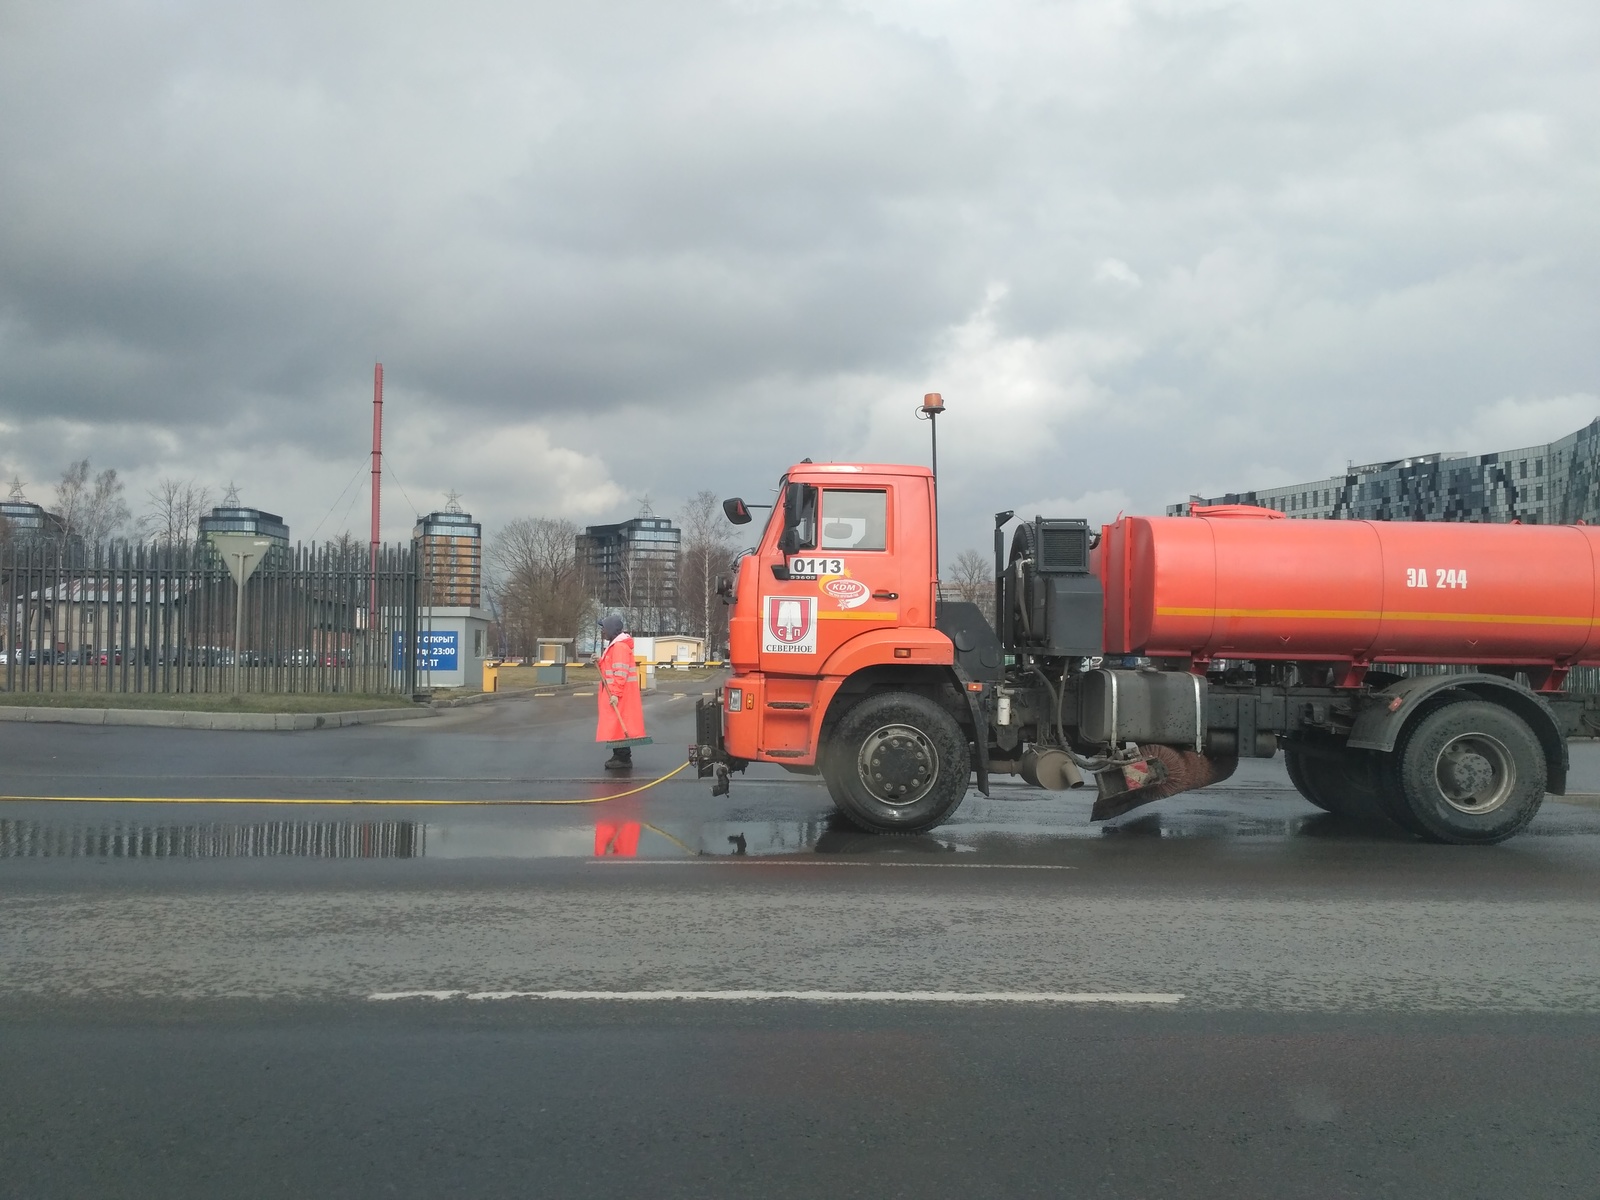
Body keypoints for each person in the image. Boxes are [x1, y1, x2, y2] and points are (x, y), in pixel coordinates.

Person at [595, 614, 647, 771]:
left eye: (604, 628)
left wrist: (615, 694)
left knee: (619, 724)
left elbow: (620, 673)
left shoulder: (619, 647)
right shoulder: (615, 646)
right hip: (618, 694)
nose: (602, 631)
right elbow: (612, 668)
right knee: (616, 726)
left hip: (619, 695)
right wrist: (599, 660)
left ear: (611, 629)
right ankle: (618, 754)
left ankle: (623, 758)